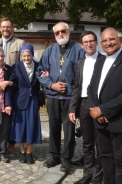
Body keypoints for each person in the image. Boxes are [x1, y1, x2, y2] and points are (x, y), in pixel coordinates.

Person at [88, 28, 122, 184]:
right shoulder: (100, 61)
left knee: (121, 160)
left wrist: (103, 109)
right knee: (105, 157)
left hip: (120, 120)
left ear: (120, 40)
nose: (108, 43)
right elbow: (91, 88)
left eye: (111, 39)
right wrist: (95, 109)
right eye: (104, 40)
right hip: (99, 120)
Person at [36, 22, 85, 172]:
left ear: (69, 31)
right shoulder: (49, 51)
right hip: (53, 96)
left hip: (70, 97)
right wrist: (52, 85)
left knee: (69, 130)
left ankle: (66, 159)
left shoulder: (78, 50)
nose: (60, 34)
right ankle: (54, 156)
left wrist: (68, 87)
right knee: (54, 128)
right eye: (57, 33)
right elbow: (40, 72)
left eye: (63, 31)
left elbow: (82, 73)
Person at [69, 31, 104, 184]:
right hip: (83, 104)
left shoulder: (105, 60)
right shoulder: (80, 63)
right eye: (85, 42)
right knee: (87, 142)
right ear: (82, 45)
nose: (89, 44)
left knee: (100, 143)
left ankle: (98, 176)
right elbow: (77, 87)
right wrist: (72, 108)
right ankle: (87, 174)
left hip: (99, 104)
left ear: (96, 42)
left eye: (91, 41)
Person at [0, 17, 25, 153]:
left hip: (12, 84)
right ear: (0, 28)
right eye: (3, 27)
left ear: (12, 28)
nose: (5, 29)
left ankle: (11, 143)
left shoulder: (20, 43)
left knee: (11, 115)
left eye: (8, 27)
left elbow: (23, 65)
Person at [6, 45, 42, 164]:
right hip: (20, 100)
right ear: (21, 56)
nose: (26, 58)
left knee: (31, 126)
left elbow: (43, 80)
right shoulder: (16, 67)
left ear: (32, 55)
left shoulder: (38, 66)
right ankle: (22, 151)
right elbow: (10, 85)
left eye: (28, 55)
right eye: (24, 56)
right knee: (20, 127)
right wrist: (8, 102)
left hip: (33, 100)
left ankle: (29, 152)